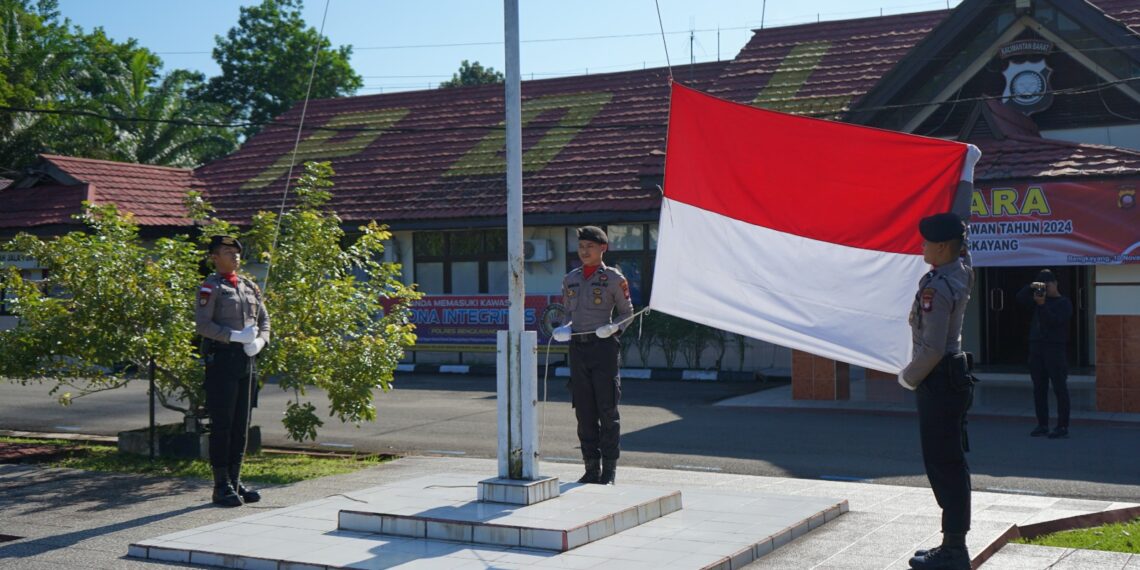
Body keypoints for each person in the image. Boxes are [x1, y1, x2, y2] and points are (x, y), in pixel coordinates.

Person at [898, 213, 975, 570]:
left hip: (938, 378)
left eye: (927, 241)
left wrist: (907, 378)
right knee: (951, 463)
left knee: (943, 465)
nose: (922, 245)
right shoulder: (961, 270)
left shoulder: (937, 288)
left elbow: (930, 349)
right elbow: (964, 240)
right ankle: (953, 544)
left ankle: (954, 550)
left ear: (943, 247)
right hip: (952, 377)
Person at [552, 226, 634, 485]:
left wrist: (614, 327)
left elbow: (628, 312)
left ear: (602, 248)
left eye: (590, 246)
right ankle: (591, 468)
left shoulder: (613, 278)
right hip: (578, 349)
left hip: (604, 349)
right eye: (581, 247)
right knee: (584, 412)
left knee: (607, 410)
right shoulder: (571, 279)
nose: (584, 251)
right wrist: (565, 327)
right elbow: (567, 313)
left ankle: (609, 471)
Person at [195, 235, 270, 507]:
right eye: (227, 252)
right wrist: (234, 336)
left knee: (241, 425)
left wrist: (260, 341)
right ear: (214, 257)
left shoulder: (249, 286)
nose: (234, 256)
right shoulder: (210, 287)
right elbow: (203, 325)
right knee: (223, 425)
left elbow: (264, 319)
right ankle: (220, 485)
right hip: (222, 359)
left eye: (236, 252)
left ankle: (235, 479)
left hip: (247, 360)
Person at [1016, 269, 1073, 439]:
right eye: (1043, 286)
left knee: (1059, 388)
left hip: (1054, 349)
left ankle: (1062, 425)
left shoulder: (1064, 303)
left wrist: (1042, 305)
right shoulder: (1038, 300)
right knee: (1039, 388)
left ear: (1056, 284)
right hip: (1036, 348)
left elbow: (1054, 322)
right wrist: (1031, 286)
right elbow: (1019, 298)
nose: (1046, 290)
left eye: (1048, 285)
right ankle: (1042, 424)